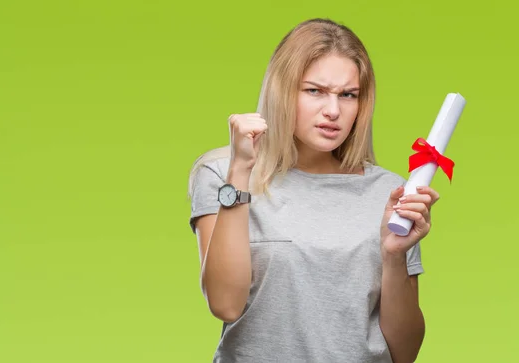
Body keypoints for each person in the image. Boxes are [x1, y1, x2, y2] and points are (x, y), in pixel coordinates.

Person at [187, 18, 438, 363]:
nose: (333, 111)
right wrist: (241, 172)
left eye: (348, 95)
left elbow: (405, 352)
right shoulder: (222, 174)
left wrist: (394, 256)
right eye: (315, 91)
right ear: (282, 90)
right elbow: (225, 304)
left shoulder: (390, 192)